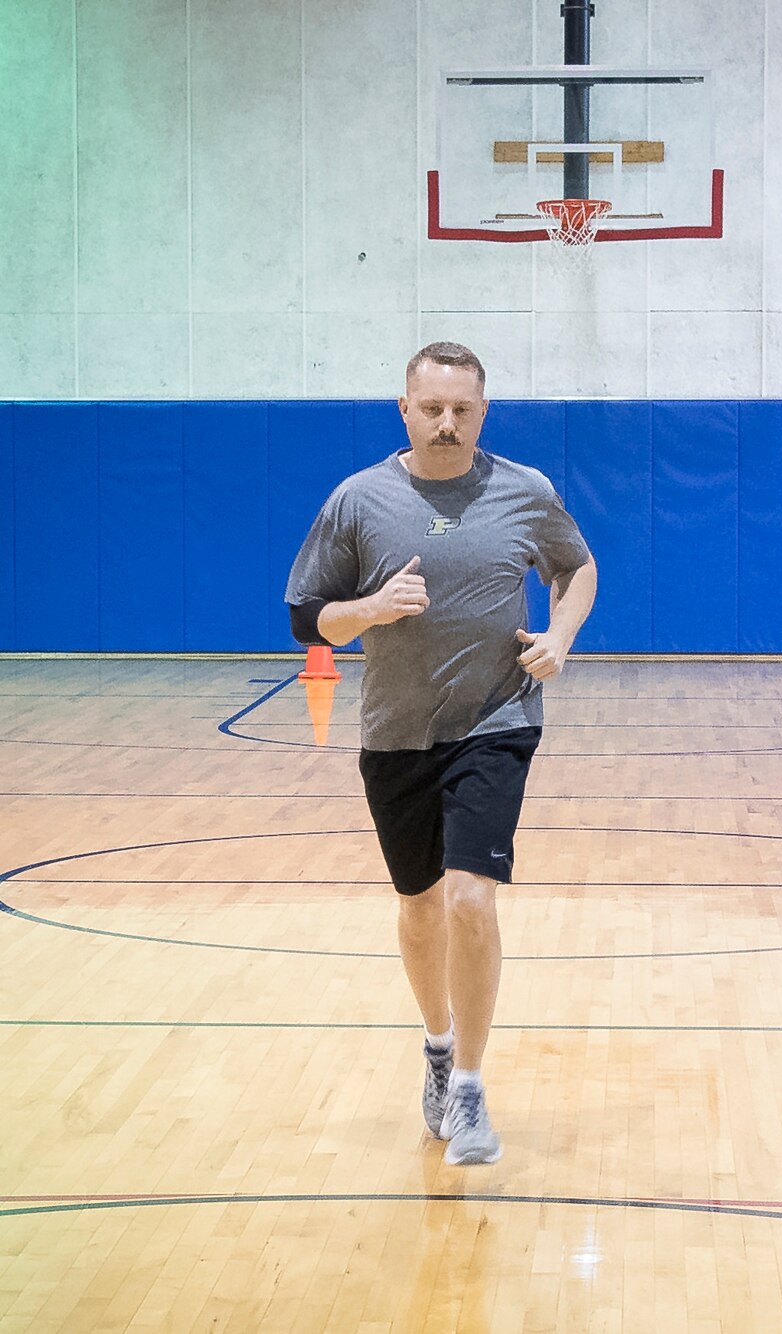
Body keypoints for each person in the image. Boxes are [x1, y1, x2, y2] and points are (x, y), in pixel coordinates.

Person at [284, 342, 597, 1163]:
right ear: (405, 409)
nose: (448, 423)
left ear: (483, 411)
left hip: (497, 720)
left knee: (470, 899)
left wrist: (560, 637)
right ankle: (435, 1043)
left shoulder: (525, 492)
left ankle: (469, 1087)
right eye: (433, 408)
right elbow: (306, 616)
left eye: (463, 409)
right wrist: (371, 608)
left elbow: (576, 567)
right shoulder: (358, 501)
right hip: (395, 732)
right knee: (420, 907)